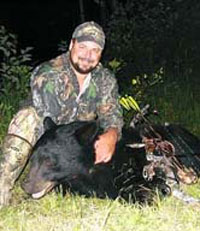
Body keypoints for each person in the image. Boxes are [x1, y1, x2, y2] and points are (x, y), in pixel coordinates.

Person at [0, 21, 124, 206]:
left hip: (75, 138)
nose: (87, 56)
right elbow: (52, 131)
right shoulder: (49, 73)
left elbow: (111, 113)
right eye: (82, 47)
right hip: (46, 136)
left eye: (95, 50)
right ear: (71, 45)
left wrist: (112, 134)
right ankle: (3, 184)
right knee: (27, 118)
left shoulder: (105, 78)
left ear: (101, 53)